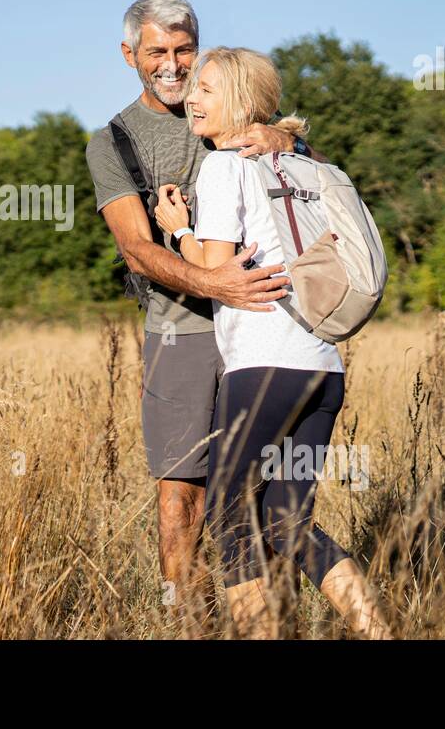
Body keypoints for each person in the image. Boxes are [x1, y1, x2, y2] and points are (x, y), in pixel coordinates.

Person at [152, 45, 393, 638]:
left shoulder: (224, 165)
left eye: (207, 88)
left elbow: (216, 269)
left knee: (232, 516)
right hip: (322, 367)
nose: (193, 98)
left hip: (263, 364)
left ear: (240, 101)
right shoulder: (306, 166)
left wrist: (177, 228)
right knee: (287, 522)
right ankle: (381, 632)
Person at [85, 0, 316, 597]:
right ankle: (189, 624)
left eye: (184, 49)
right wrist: (217, 283)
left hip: (266, 329)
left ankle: (267, 624)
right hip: (181, 333)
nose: (172, 65)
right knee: (180, 503)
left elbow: (306, 185)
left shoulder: (241, 115)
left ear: (200, 48)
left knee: (268, 502)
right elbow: (137, 248)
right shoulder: (112, 141)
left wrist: (285, 141)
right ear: (128, 53)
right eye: (156, 51)